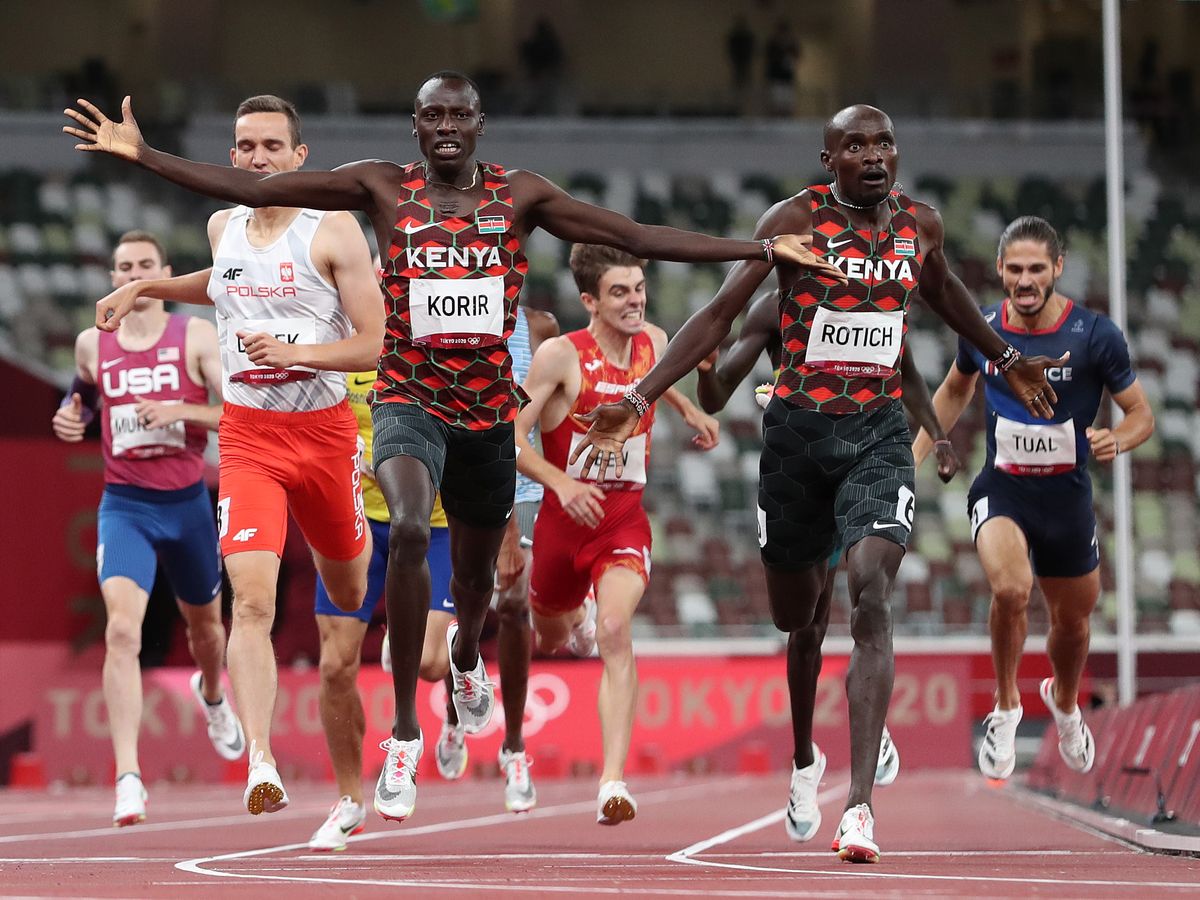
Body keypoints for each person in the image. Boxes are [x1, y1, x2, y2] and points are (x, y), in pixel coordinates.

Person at [64, 70, 842, 824]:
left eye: (457, 116)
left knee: (474, 584)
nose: (444, 128)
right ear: (415, 127)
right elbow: (254, 189)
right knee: (407, 525)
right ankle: (404, 733)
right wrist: (146, 156)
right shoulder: (380, 187)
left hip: (485, 417)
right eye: (431, 116)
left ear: (477, 125)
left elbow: (631, 234)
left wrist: (757, 252)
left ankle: (466, 656)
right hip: (408, 399)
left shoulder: (520, 195)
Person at [568, 104, 1066, 863]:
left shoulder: (920, 226)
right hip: (797, 445)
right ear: (829, 159)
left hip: (877, 438)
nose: (874, 156)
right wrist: (640, 398)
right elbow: (719, 314)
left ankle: (859, 807)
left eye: (884, 143)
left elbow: (944, 296)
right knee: (798, 617)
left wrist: (1004, 357)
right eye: (855, 146)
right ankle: (807, 756)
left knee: (872, 591)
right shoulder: (795, 222)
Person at [80, 95, 385, 816]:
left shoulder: (333, 229)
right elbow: (220, 286)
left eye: (272, 146)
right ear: (233, 155)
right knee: (251, 600)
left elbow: (374, 343)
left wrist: (297, 353)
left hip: (325, 435)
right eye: (246, 146)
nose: (257, 158)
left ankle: (355, 548)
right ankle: (261, 759)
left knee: (348, 592)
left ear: (300, 157)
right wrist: (146, 286)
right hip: (250, 437)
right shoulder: (224, 227)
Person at [695, 290, 960, 841]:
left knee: (872, 598)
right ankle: (804, 761)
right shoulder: (774, 308)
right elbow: (718, 392)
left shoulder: (879, 296)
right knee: (803, 627)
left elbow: (908, 372)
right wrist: (704, 371)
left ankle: (861, 788)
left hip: (866, 463)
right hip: (801, 471)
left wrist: (937, 433)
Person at [912, 216, 1154, 783]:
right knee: (1011, 588)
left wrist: (1118, 438)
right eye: (1015, 269)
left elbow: (1141, 413)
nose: (1025, 280)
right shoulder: (982, 327)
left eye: (1037, 269)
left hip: (1067, 498)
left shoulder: (1095, 336)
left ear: (1057, 268)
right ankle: (1005, 708)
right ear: (1000, 269)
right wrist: (912, 456)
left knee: (1073, 623)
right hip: (1004, 488)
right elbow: (954, 389)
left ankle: (1064, 704)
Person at [515, 244, 721, 824]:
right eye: (619, 293)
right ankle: (574, 615)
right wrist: (561, 483)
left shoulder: (654, 340)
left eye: (639, 289)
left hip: (623, 521)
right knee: (551, 636)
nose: (635, 302)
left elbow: (657, 379)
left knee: (615, 628)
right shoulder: (560, 356)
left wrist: (687, 409)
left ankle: (613, 782)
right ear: (590, 301)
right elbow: (509, 435)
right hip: (562, 527)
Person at [51, 230, 243, 827]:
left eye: (144, 265)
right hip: (125, 506)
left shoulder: (196, 336)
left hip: (187, 506)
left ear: (163, 273)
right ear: (112, 278)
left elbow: (237, 413)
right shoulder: (92, 342)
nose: (133, 275)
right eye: (123, 267)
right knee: (121, 633)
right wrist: (70, 415)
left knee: (206, 630)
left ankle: (213, 694)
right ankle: (128, 777)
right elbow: (82, 395)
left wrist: (180, 410)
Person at [307, 364, 456, 850]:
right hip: (357, 522)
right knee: (334, 666)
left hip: (432, 524)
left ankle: (452, 695)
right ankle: (350, 801)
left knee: (431, 663)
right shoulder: (334, 348)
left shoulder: (433, 348)